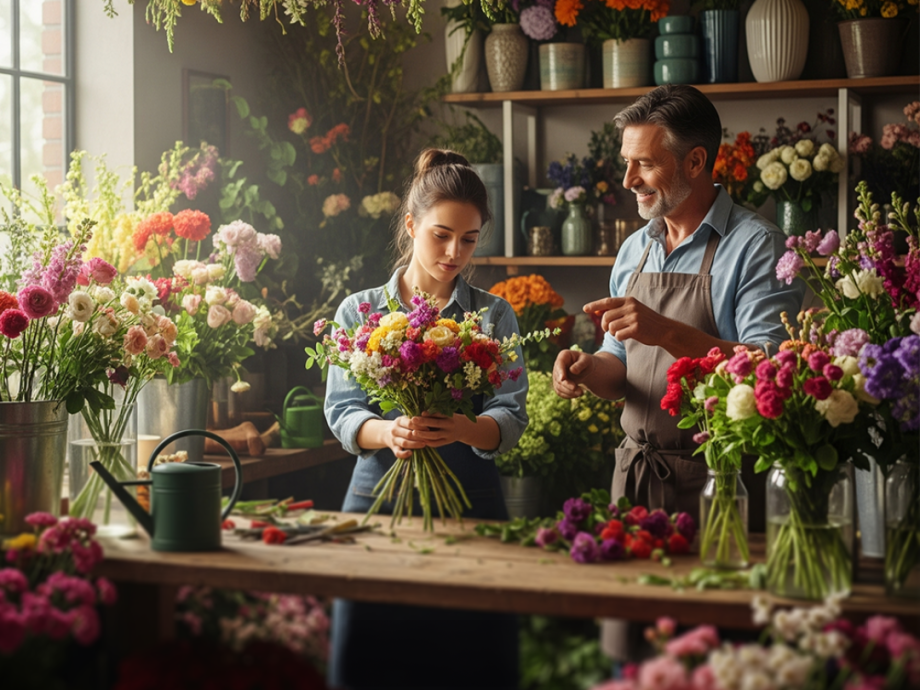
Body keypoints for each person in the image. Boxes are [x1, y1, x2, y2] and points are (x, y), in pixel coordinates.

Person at [551, 85, 805, 662]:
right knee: (630, 660)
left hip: (718, 488)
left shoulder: (754, 246)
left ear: (695, 161)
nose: (629, 180)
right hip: (636, 483)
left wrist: (667, 331)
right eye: (627, 163)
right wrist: (587, 368)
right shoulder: (635, 249)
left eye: (645, 163)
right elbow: (621, 367)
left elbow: (769, 372)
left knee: (712, 660)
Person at [324, 148, 528, 690]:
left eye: (469, 239)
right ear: (411, 225)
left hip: (472, 500)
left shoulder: (492, 314)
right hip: (377, 501)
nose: (454, 252)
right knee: (364, 662)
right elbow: (343, 410)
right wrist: (387, 431)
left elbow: (510, 411)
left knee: (475, 663)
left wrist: (466, 428)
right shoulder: (360, 312)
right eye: (441, 235)